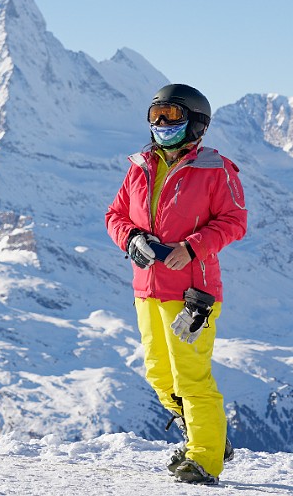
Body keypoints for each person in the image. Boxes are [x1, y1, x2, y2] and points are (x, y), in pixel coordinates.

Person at [105, 83, 247, 485]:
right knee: (158, 375)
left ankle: (203, 458)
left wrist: (192, 246)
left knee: (191, 377)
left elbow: (235, 221)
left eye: (172, 116)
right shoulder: (139, 167)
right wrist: (131, 239)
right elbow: (115, 214)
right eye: (156, 116)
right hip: (146, 288)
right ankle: (210, 436)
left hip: (192, 293)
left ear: (196, 124)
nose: (162, 124)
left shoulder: (216, 170)